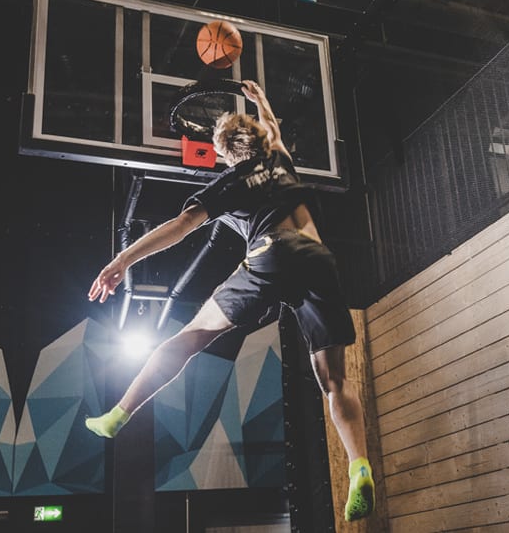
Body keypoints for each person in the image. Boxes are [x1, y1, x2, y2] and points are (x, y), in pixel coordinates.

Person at [85, 80, 375, 522]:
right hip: (320, 259)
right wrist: (262, 102)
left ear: (224, 151)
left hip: (271, 253)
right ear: (259, 141)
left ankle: (119, 414)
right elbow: (274, 130)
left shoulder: (231, 180)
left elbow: (180, 226)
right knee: (334, 380)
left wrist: (123, 258)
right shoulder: (279, 160)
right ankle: (359, 465)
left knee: (190, 338)